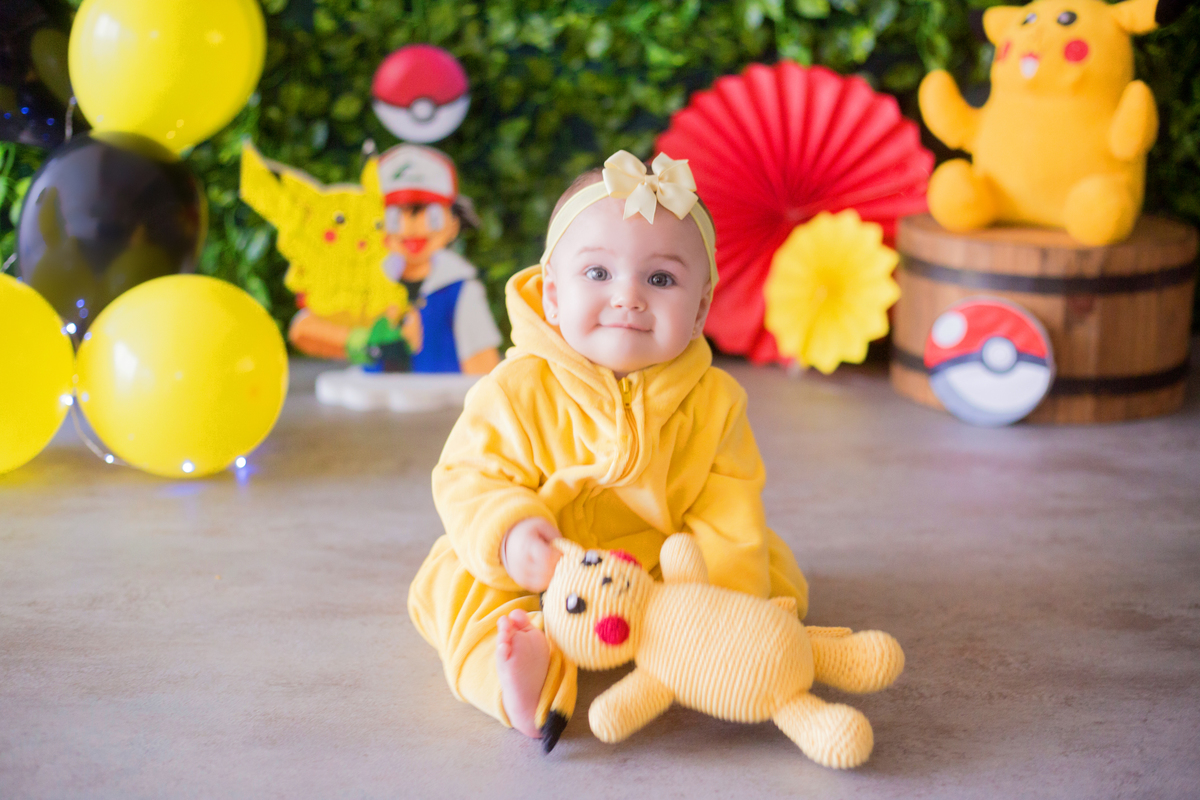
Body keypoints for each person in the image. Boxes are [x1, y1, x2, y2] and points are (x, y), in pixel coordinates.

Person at [408, 150, 809, 748]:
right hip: (538, 569)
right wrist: (510, 534)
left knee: (769, 573)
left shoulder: (715, 402)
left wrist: (717, 606)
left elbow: (726, 512)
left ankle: (701, 650)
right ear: (551, 295)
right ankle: (519, 679)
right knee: (464, 593)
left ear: (700, 309)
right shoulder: (515, 389)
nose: (628, 297)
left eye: (660, 279)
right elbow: (470, 475)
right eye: (598, 273)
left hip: (658, 572)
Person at [374, 144, 501, 374]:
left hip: (445, 395)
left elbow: (483, 367)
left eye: (431, 215)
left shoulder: (461, 290)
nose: (411, 227)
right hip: (371, 395)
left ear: (453, 224)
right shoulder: (372, 284)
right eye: (394, 217)